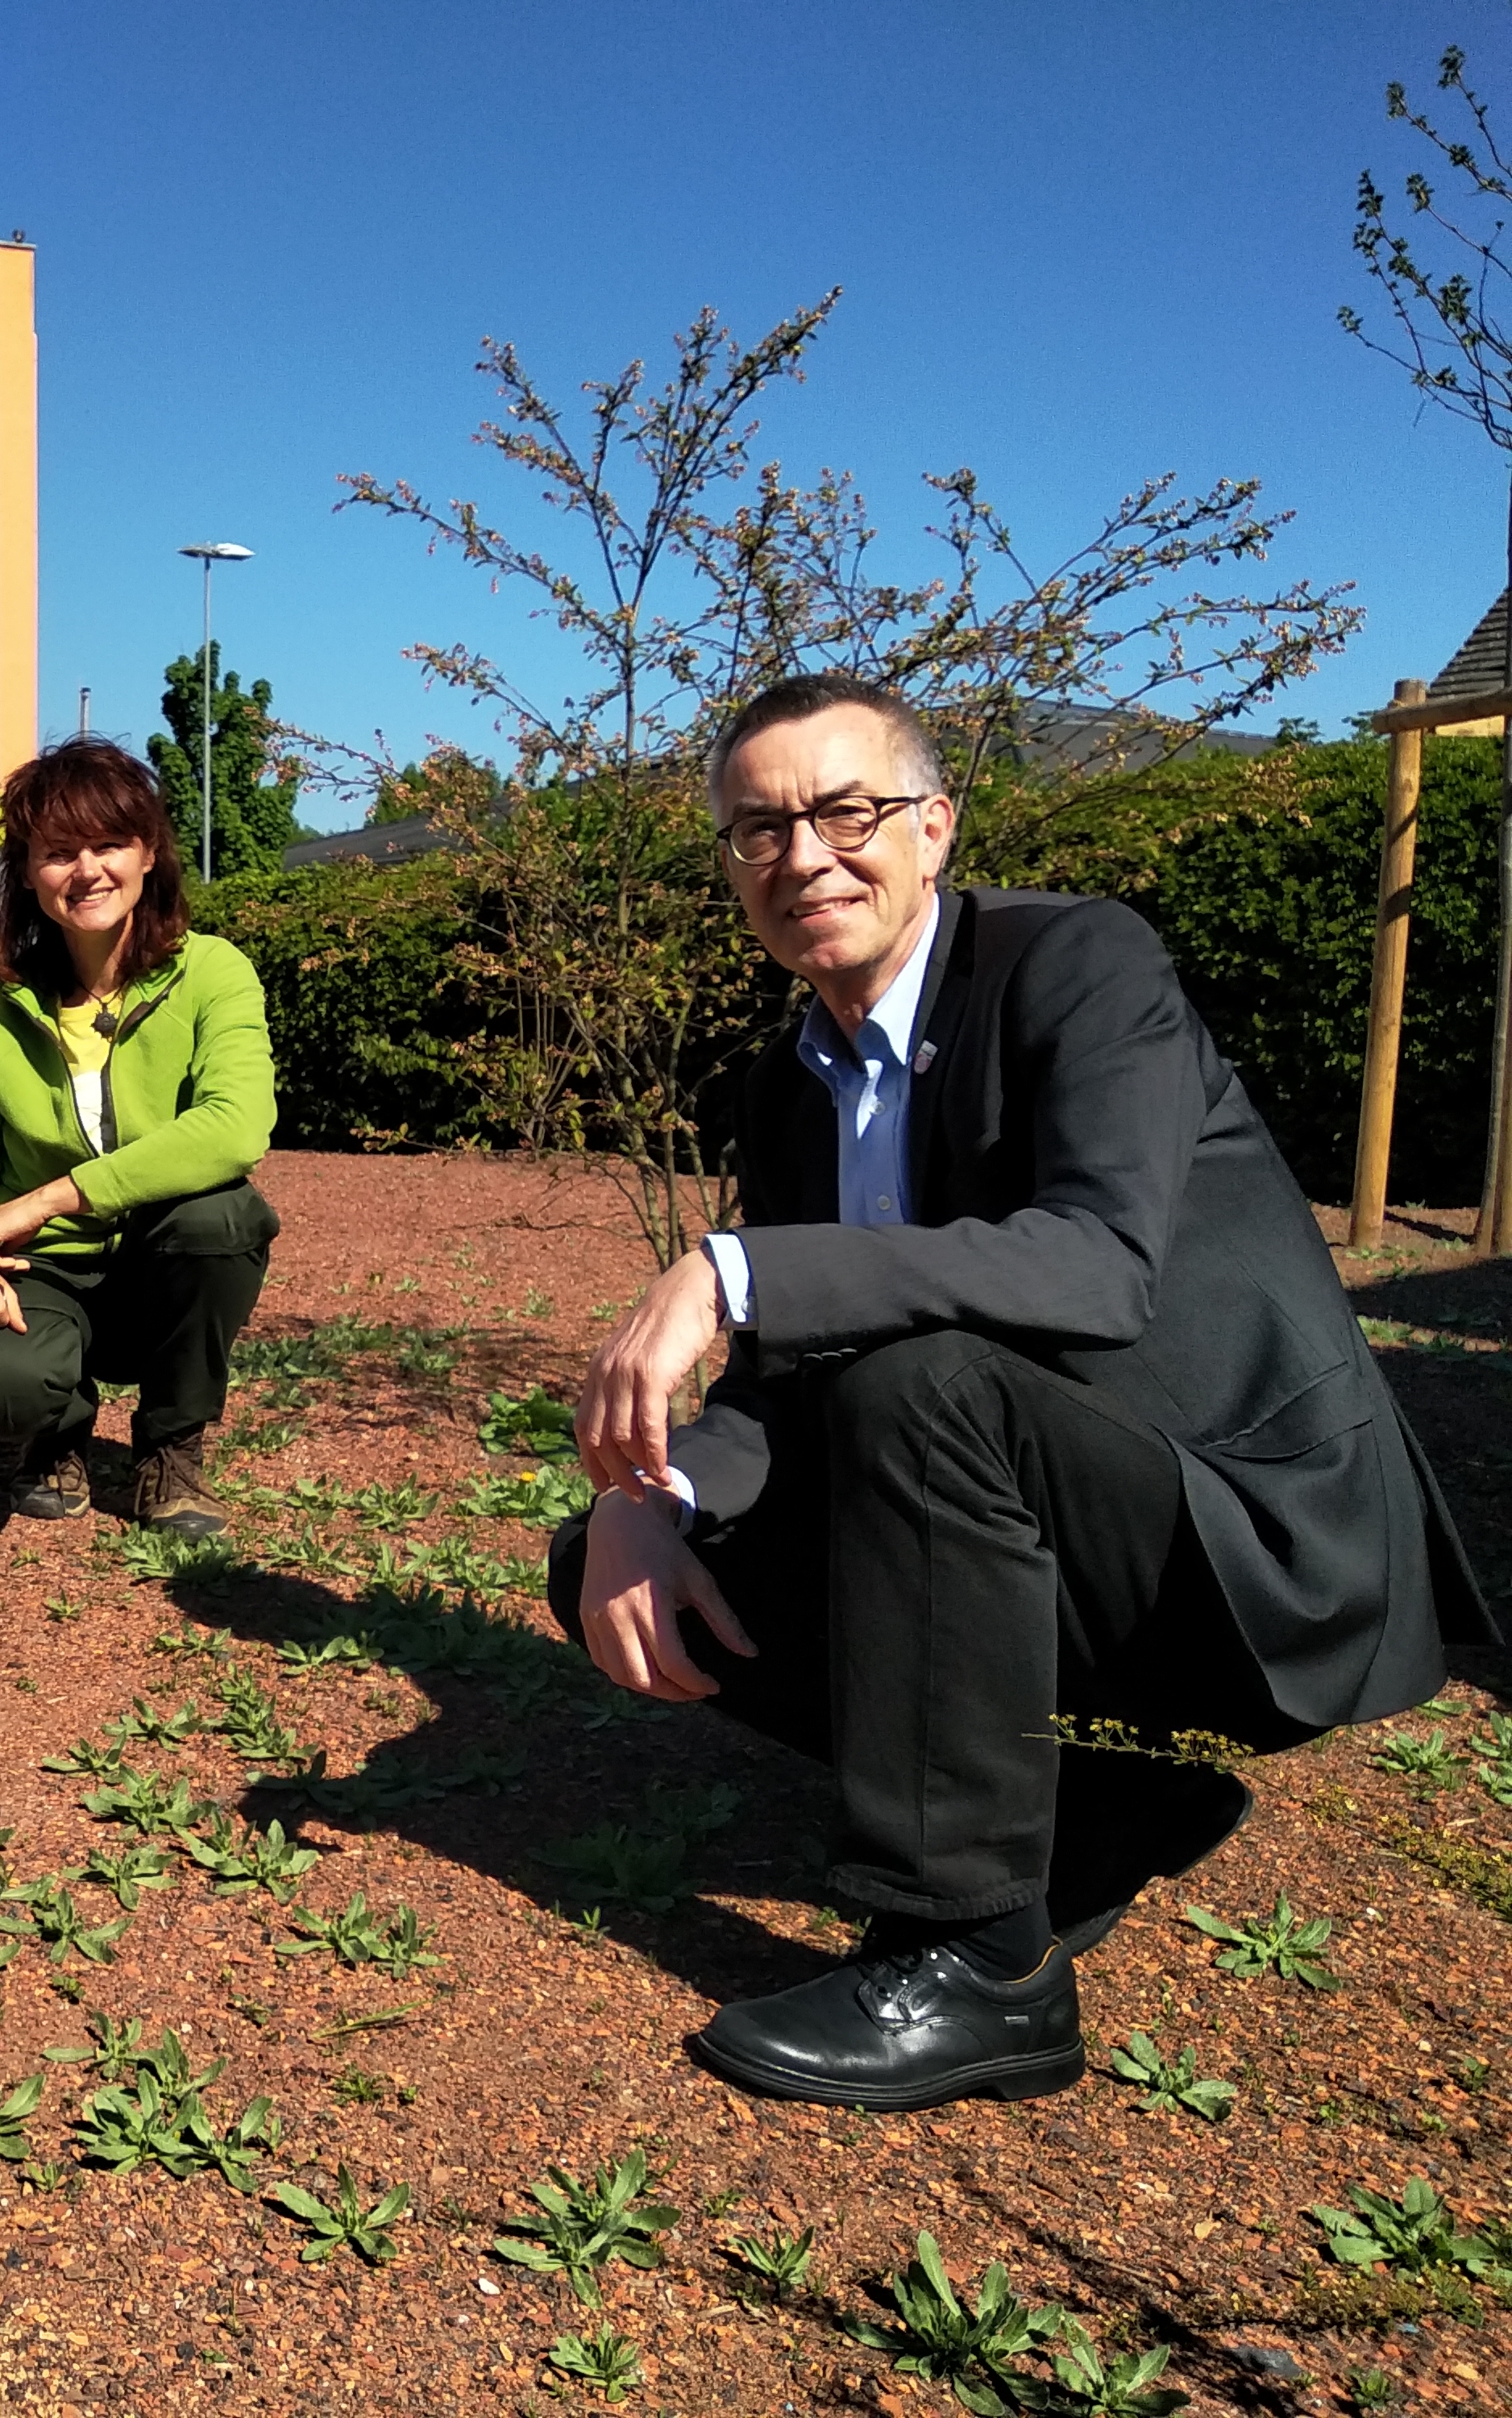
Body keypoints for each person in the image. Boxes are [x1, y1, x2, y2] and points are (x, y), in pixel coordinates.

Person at [552, 671, 1493, 2113]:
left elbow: (1097, 1267)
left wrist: (735, 1273)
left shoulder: (1082, 965)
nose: (804, 855)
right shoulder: (794, 1077)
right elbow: (796, 1393)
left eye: (847, 811)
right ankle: (1105, 1809)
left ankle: (979, 1961)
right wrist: (650, 1499)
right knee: (613, 1562)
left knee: (924, 1388)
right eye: (759, 830)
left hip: (1255, 1544)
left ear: (935, 827)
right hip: (1033, 1510)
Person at [0, 737, 279, 1536]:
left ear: (148, 853)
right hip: (43, 1273)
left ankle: (170, 1448)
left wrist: (51, 1197)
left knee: (223, 1218)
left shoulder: (212, 974)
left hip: (162, 1261)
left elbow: (234, 1127)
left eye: (110, 844)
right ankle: (53, 1432)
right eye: (58, 852)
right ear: (27, 872)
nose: (87, 871)